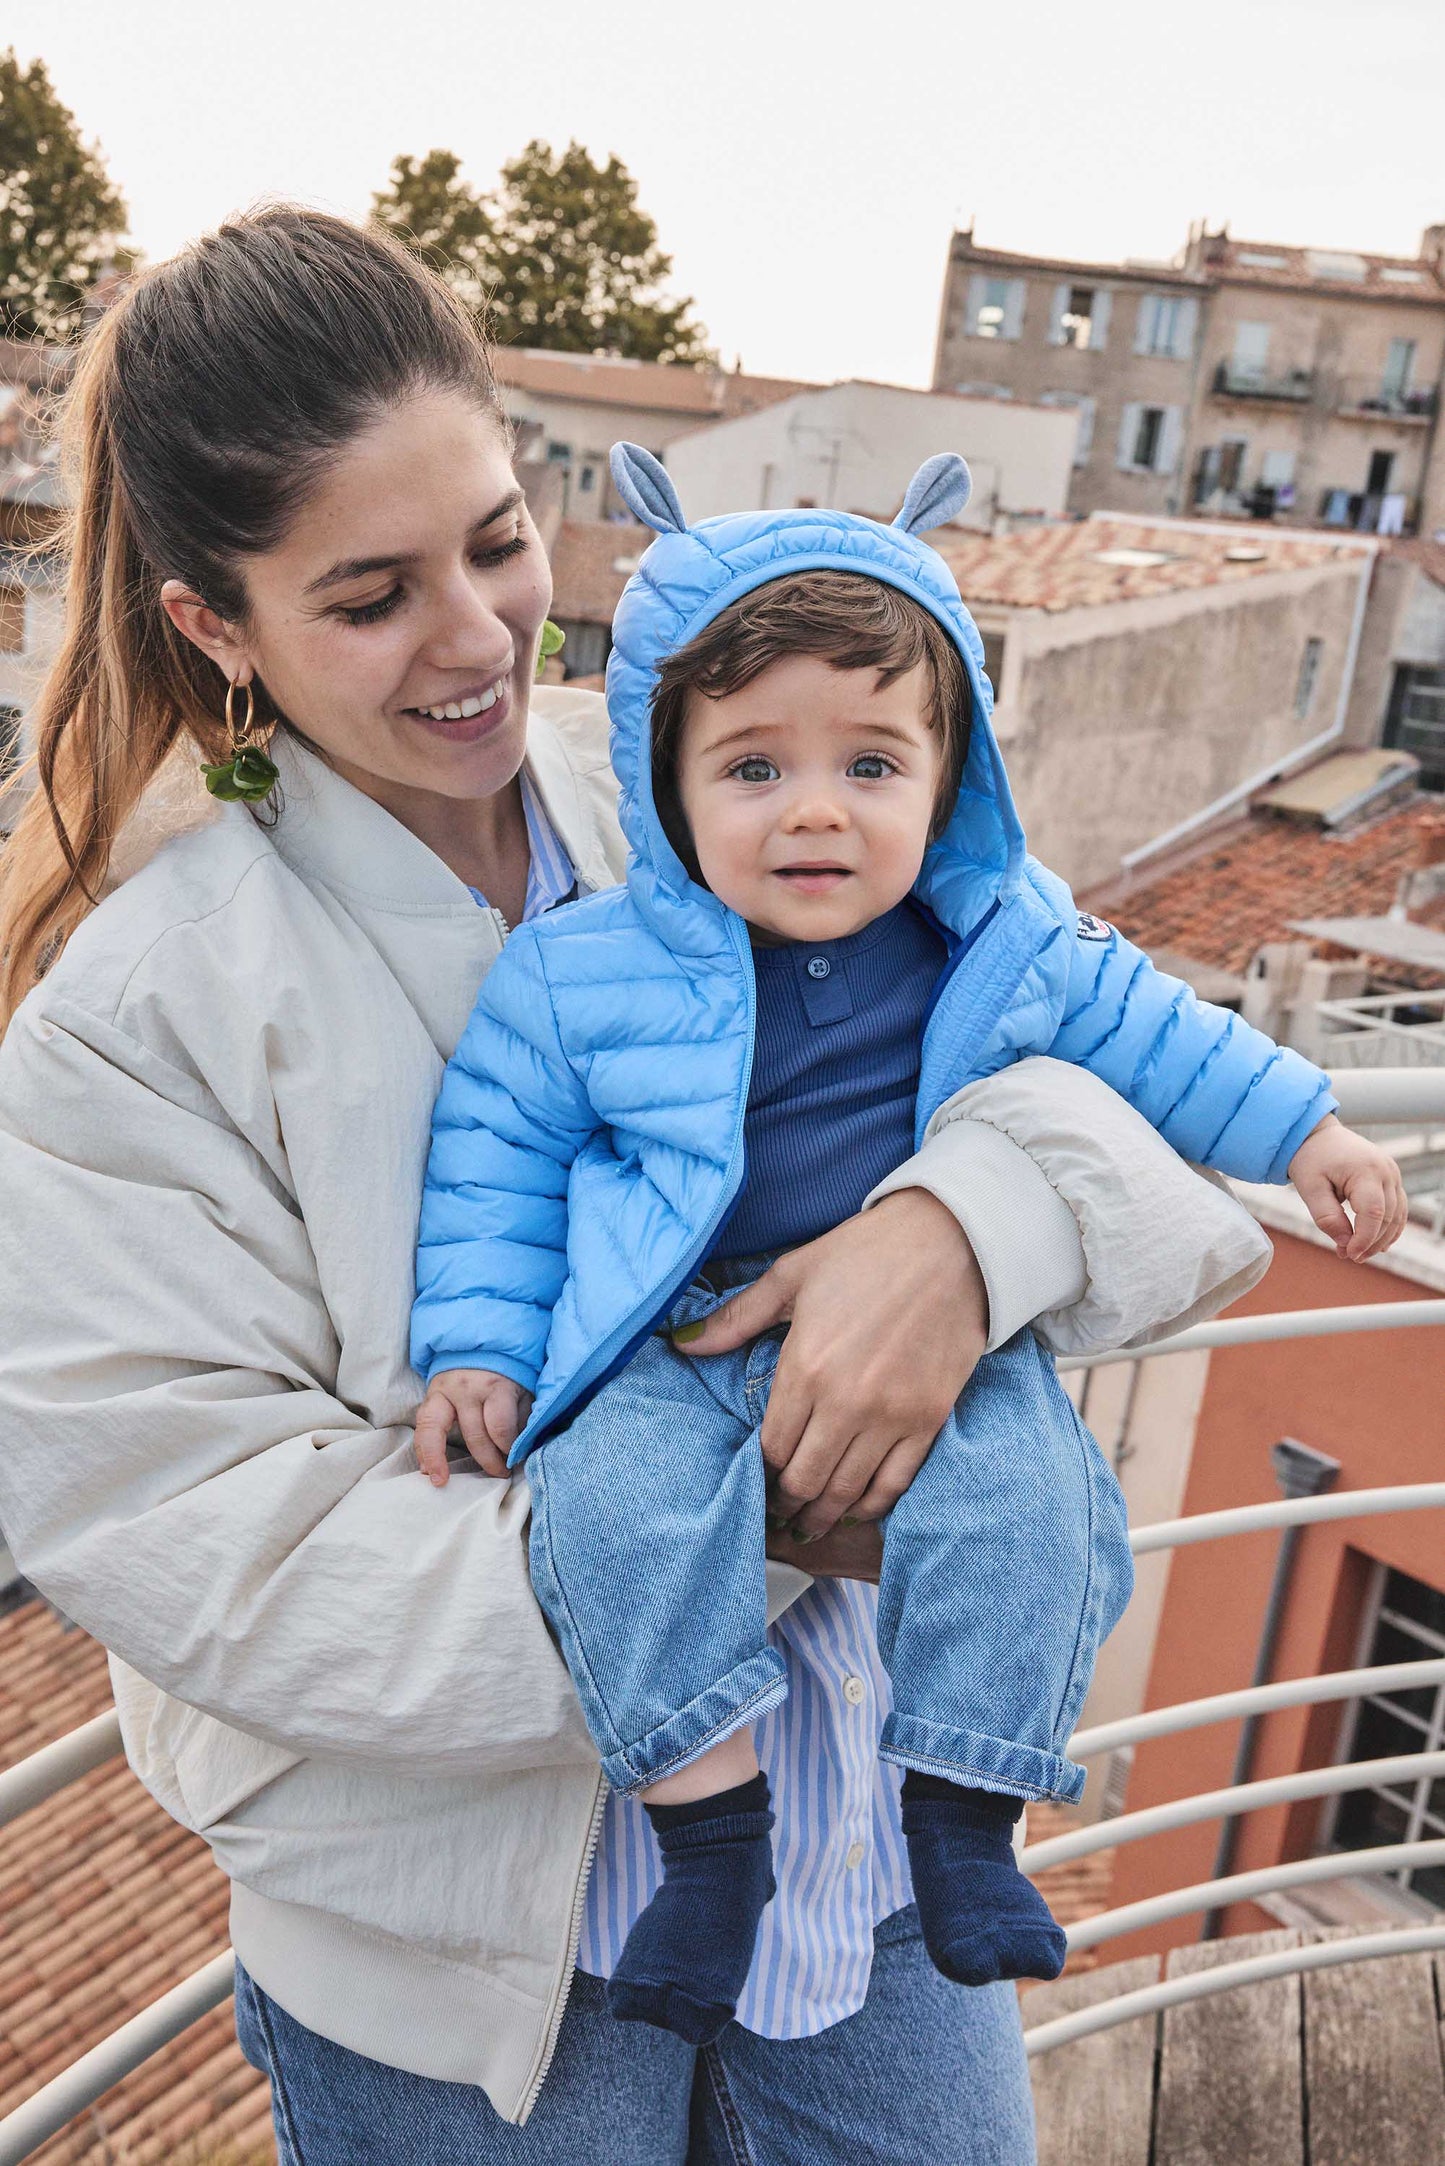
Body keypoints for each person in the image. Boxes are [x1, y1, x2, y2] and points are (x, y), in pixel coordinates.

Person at [0, 208, 1299, 2164]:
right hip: (448, 1968)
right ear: (214, 623)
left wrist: (959, 1237)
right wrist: (774, 1516)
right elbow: (196, 1538)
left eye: (497, 543)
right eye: (368, 596)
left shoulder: (698, 786)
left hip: (850, 1834)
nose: (475, 637)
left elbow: (1126, 1094)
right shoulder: (141, 1008)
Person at [410, 444, 1406, 2043]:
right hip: (677, 1337)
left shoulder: (1001, 934)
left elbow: (1165, 1037)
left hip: (945, 1345)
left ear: (951, 778)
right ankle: (710, 1841)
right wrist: (476, 1347)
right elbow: (495, 1166)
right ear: (666, 779)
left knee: (1036, 1504)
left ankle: (961, 1817)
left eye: (871, 764)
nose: (816, 808)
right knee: (604, 1512)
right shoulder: (572, 973)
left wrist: (1308, 1130)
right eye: (753, 769)